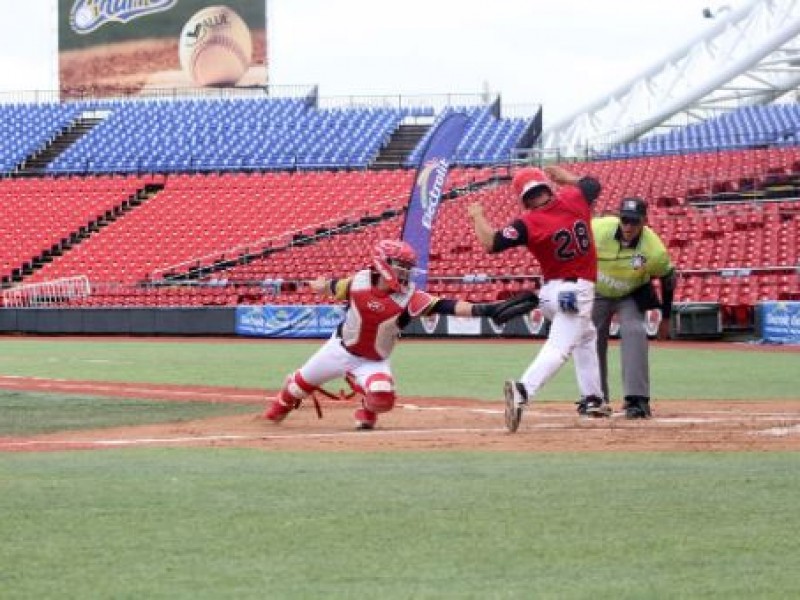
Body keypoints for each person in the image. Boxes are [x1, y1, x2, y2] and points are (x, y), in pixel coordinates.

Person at [263, 238, 516, 430]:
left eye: (408, 268)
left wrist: (486, 310)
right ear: (383, 263)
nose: (406, 272)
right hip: (338, 349)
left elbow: (446, 305)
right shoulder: (358, 281)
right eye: (401, 266)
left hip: (373, 360)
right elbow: (331, 287)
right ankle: (279, 407)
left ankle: (367, 407)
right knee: (295, 390)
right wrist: (319, 286)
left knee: (383, 396)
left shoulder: (410, 296)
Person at [467, 164, 608, 432]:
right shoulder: (573, 198)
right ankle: (523, 390)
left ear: (524, 198)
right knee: (560, 346)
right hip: (577, 291)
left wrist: (477, 216)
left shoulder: (527, 223)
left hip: (551, 293)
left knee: (586, 335)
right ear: (546, 185)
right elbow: (592, 184)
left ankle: (593, 398)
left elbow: (490, 243)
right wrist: (565, 177)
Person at [591, 197, 676, 419]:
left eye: (634, 222)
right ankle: (595, 397)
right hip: (598, 292)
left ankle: (637, 400)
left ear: (644, 222)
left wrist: (666, 318)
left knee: (635, 332)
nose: (628, 227)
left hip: (630, 293)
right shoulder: (598, 229)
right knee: (591, 337)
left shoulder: (654, 250)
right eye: (625, 220)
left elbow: (668, 279)